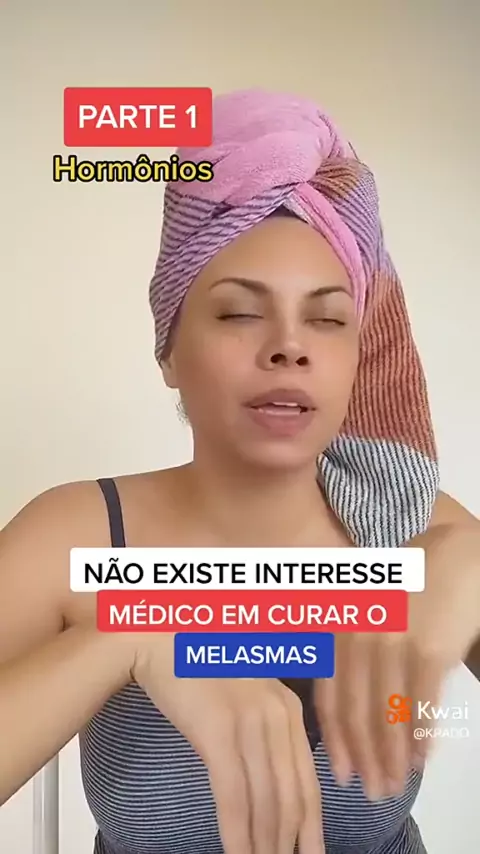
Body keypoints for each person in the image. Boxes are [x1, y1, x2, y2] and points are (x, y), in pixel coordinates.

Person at [0, 89, 479, 854]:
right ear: (169, 350)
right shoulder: (72, 536)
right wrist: (127, 639)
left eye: (328, 318)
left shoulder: (420, 526)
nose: (291, 346)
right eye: (240, 312)